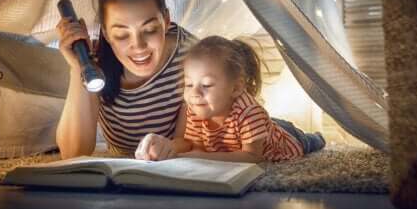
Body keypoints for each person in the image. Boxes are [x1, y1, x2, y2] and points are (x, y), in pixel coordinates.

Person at [55, 0, 197, 159]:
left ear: (166, 21)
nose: (138, 46)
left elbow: (201, 140)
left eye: (149, 29)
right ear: (105, 33)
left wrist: (170, 147)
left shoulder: (192, 55)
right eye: (122, 34)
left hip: (171, 162)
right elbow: (73, 153)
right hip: (120, 167)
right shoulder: (95, 62)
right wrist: (77, 67)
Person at [136, 36, 325, 163]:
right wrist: (172, 149)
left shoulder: (250, 113)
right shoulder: (195, 108)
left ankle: (316, 137)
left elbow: (253, 156)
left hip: (284, 138)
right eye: (188, 84)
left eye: (207, 85)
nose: (195, 93)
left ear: (235, 88)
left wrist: (203, 158)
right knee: (267, 126)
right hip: (257, 130)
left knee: (307, 142)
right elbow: (196, 146)